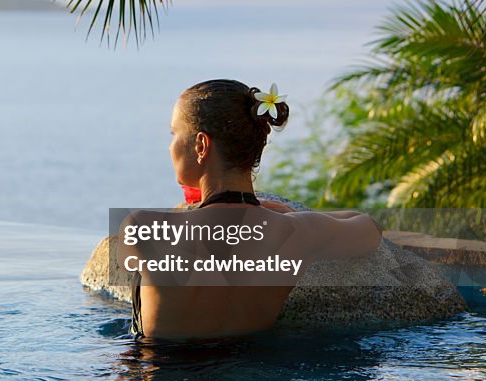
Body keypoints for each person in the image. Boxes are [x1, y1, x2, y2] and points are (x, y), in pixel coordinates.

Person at [127, 79, 383, 342]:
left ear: (201, 146)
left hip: (160, 374)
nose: (170, 147)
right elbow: (369, 226)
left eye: (174, 134)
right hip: (247, 369)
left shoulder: (145, 228)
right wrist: (287, 215)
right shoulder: (297, 233)